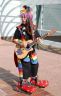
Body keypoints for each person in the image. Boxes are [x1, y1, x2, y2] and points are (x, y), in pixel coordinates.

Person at [13, 5, 48, 92]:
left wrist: (39, 40)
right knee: (26, 64)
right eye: (22, 17)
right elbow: (14, 39)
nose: (23, 19)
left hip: (32, 50)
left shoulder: (33, 27)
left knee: (35, 63)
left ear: (29, 17)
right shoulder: (19, 28)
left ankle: (34, 78)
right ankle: (24, 82)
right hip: (22, 51)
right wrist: (24, 43)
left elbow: (37, 37)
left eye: (25, 17)